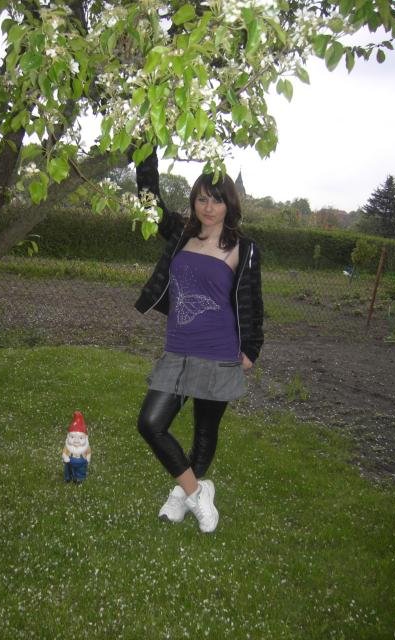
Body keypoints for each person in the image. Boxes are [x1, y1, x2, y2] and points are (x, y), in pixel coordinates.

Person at [135, 151, 264, 533]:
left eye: (217, 200)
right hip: (178, 348)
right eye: (202, 199)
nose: (209, 208)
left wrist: (250, 349)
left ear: (230, 204)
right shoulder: (181, 233)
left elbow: (253, 301)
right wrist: (145, 150)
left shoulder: (243, 247)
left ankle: (180, 496)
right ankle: (197, 492)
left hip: (218, 351)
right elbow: (149, 200)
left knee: (204, 434)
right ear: (194, 201)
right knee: (151, 423)